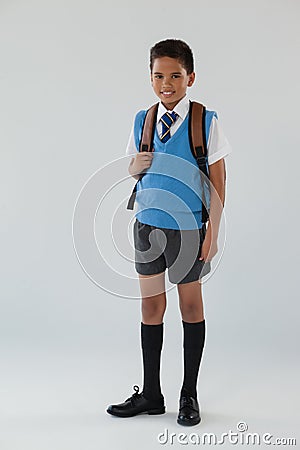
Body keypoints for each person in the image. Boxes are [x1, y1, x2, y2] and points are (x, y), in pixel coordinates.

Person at [106, 39, 232, 426]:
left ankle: (188, 394)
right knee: (151, 308)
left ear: (190, 77)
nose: (167, 83)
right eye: (159, 75)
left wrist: (212, 231)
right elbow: (130, 168)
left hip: (189, 229)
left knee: (190, 306)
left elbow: (218, 181)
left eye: (175, 75)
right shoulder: (142, 120)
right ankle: (151, 394)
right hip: (146, 226)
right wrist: (134, 166)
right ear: (150, 77)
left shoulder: (204, 121)